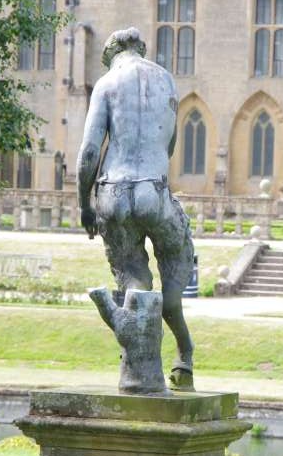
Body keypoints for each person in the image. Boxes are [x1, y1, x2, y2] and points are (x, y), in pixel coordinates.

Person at [76, 27, 195, 390]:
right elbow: (169, 146)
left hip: (113, 192)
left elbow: (89, 152)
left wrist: (84, 204)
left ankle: (140, 370)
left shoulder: (106, 83)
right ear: (141, 49)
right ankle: (184, 354)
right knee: (175, 263)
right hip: (153, 190)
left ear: (110, 54)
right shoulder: (166, 80)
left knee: (134, 280)